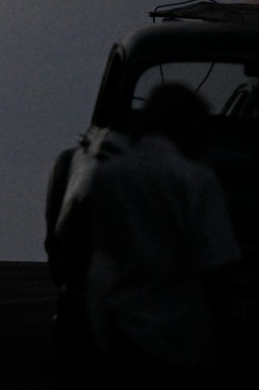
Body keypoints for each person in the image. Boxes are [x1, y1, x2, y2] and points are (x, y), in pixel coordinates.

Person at [85, 82, 241, 383]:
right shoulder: (196, 179)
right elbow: (216, 266)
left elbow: (101, 249)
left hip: (123, 326)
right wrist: (229, 342)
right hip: (182, 331)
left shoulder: (110, 175)